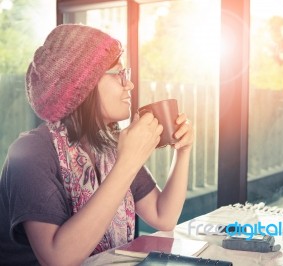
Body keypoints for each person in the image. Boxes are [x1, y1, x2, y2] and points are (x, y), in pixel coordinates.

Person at [0, 24, 194, 266]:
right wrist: (128, 162)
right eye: (119, 74)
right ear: (83, 86)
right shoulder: (29, 154)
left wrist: (183, 151)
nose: (129, 85)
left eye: (128, 74)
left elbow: (163, 215)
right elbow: (58, 258)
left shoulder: (108, 145)